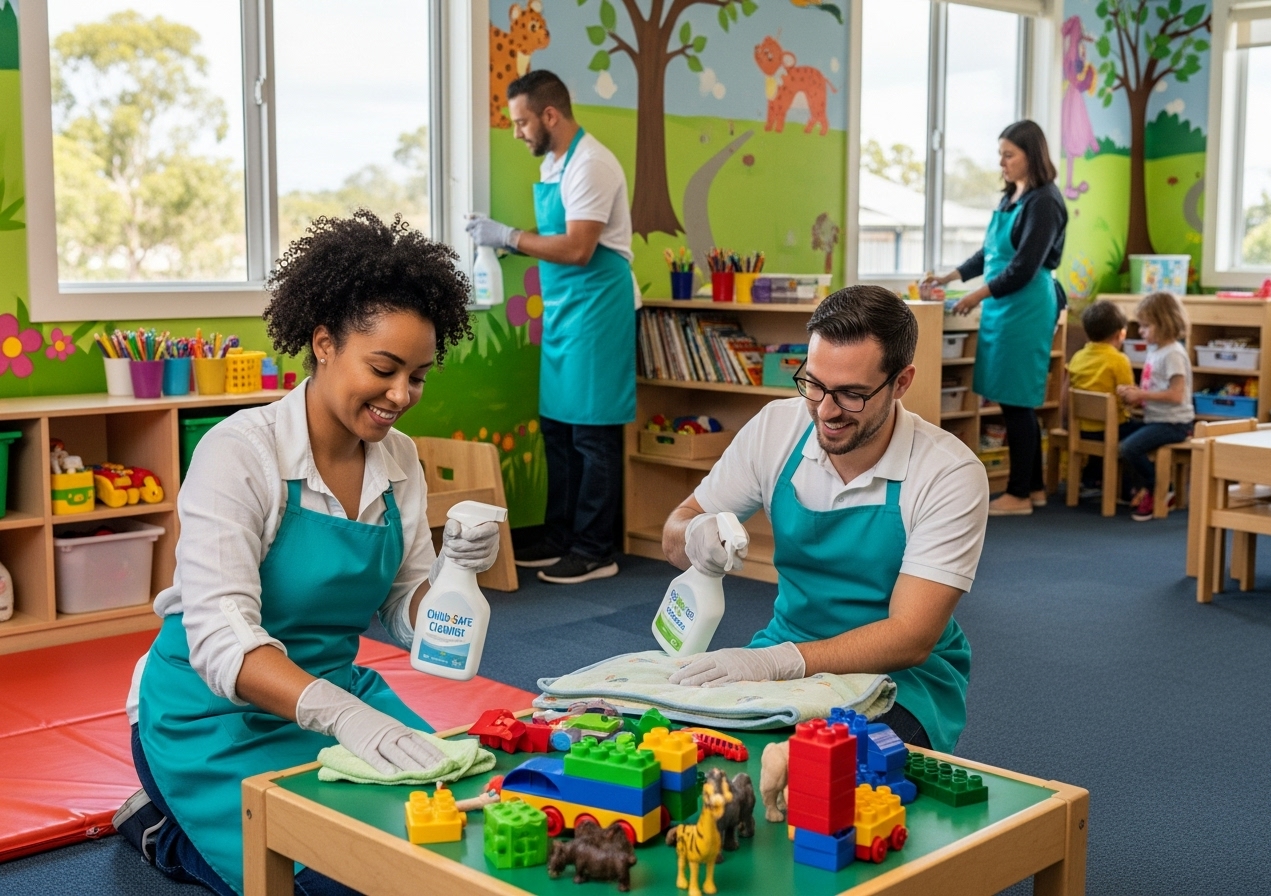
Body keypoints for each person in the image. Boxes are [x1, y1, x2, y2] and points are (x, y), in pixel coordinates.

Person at [113, 212, 501, 896]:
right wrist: (341, 717)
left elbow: (404, 608)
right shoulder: (241, 453)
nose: (401, 397)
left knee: (464, 826)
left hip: (330, 697)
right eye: (383, 369)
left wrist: (453, 580)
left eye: (418, 376)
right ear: (323, 343)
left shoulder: (400, 462)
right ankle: (163, 831)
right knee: (340, 880)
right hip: (209, 717)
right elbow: (220, 636)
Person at [660, 286, 988, 752]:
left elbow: (911, 637)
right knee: (681, 750)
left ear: (901, 382)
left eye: (852, 394)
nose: (826, 411)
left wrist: (779, 663)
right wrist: (694, 535)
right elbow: (678, 525)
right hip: (784, 647)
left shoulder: (950, 473)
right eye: (814, 384)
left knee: (816, 778)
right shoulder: (776, 428)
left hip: (901, 680)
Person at [467, 70, 636, 585]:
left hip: (598, 306)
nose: (517, 132)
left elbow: (578, 248)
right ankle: (559, 536)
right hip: (566, 310)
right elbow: (560, 235)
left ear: (550, 115)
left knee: (593, 431)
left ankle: (594, 549)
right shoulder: (555, 163)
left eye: (521, 122)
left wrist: (510, 236)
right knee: (559, 430)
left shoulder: (591, 165)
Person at [921, 120, 1068, 517]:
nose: (1001, 163)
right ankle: (1034, 488)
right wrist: (951, 276)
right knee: (1010, 400)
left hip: (1026, 305)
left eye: (1009, 155)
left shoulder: (1045, 202)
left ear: (1030, 156)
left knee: (1017, 400)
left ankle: (1018, 494)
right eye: (1000, 155)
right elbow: (988, 254)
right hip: (1003, 307)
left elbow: (1022, 267)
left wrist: (975, 296)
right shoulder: (1012, 197)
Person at [1116, 292, 1195, 522]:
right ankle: (1138, 487)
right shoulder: (1155, 349)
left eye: (1146, 326)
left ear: (1164, 324)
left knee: (1130, 448)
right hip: (1156, 418)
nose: (1140, 331)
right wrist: (1134, 393)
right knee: (1119, 435)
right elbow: (1154, 385)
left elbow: (1176, 395)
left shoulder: (1173, 354)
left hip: (1175, 423)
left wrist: (1142, 394)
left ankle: (1159, 490)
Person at [1064, 300, 1137, 491]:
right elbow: (1128, 397)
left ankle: (1091, 478)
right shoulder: (1119, 360)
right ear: (1120, 333)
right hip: (1109, 430)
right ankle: (1130, 487)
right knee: (1141, 432)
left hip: (1082, 427)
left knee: (1107, 428)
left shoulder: (1078, 357)